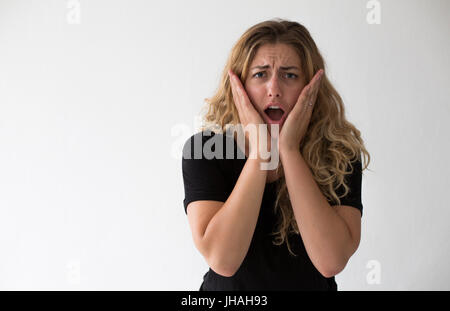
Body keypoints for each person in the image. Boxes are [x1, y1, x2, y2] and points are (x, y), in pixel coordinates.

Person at [181, 18, 371, 291]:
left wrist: (289, 150)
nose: (274, 89)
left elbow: (331, 260)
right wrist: (261, 152)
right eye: (260, 74)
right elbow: (223, 259)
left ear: (312, 85)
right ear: (238, 85)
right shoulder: (205, 150)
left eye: (289, 75)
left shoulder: (338, 152)